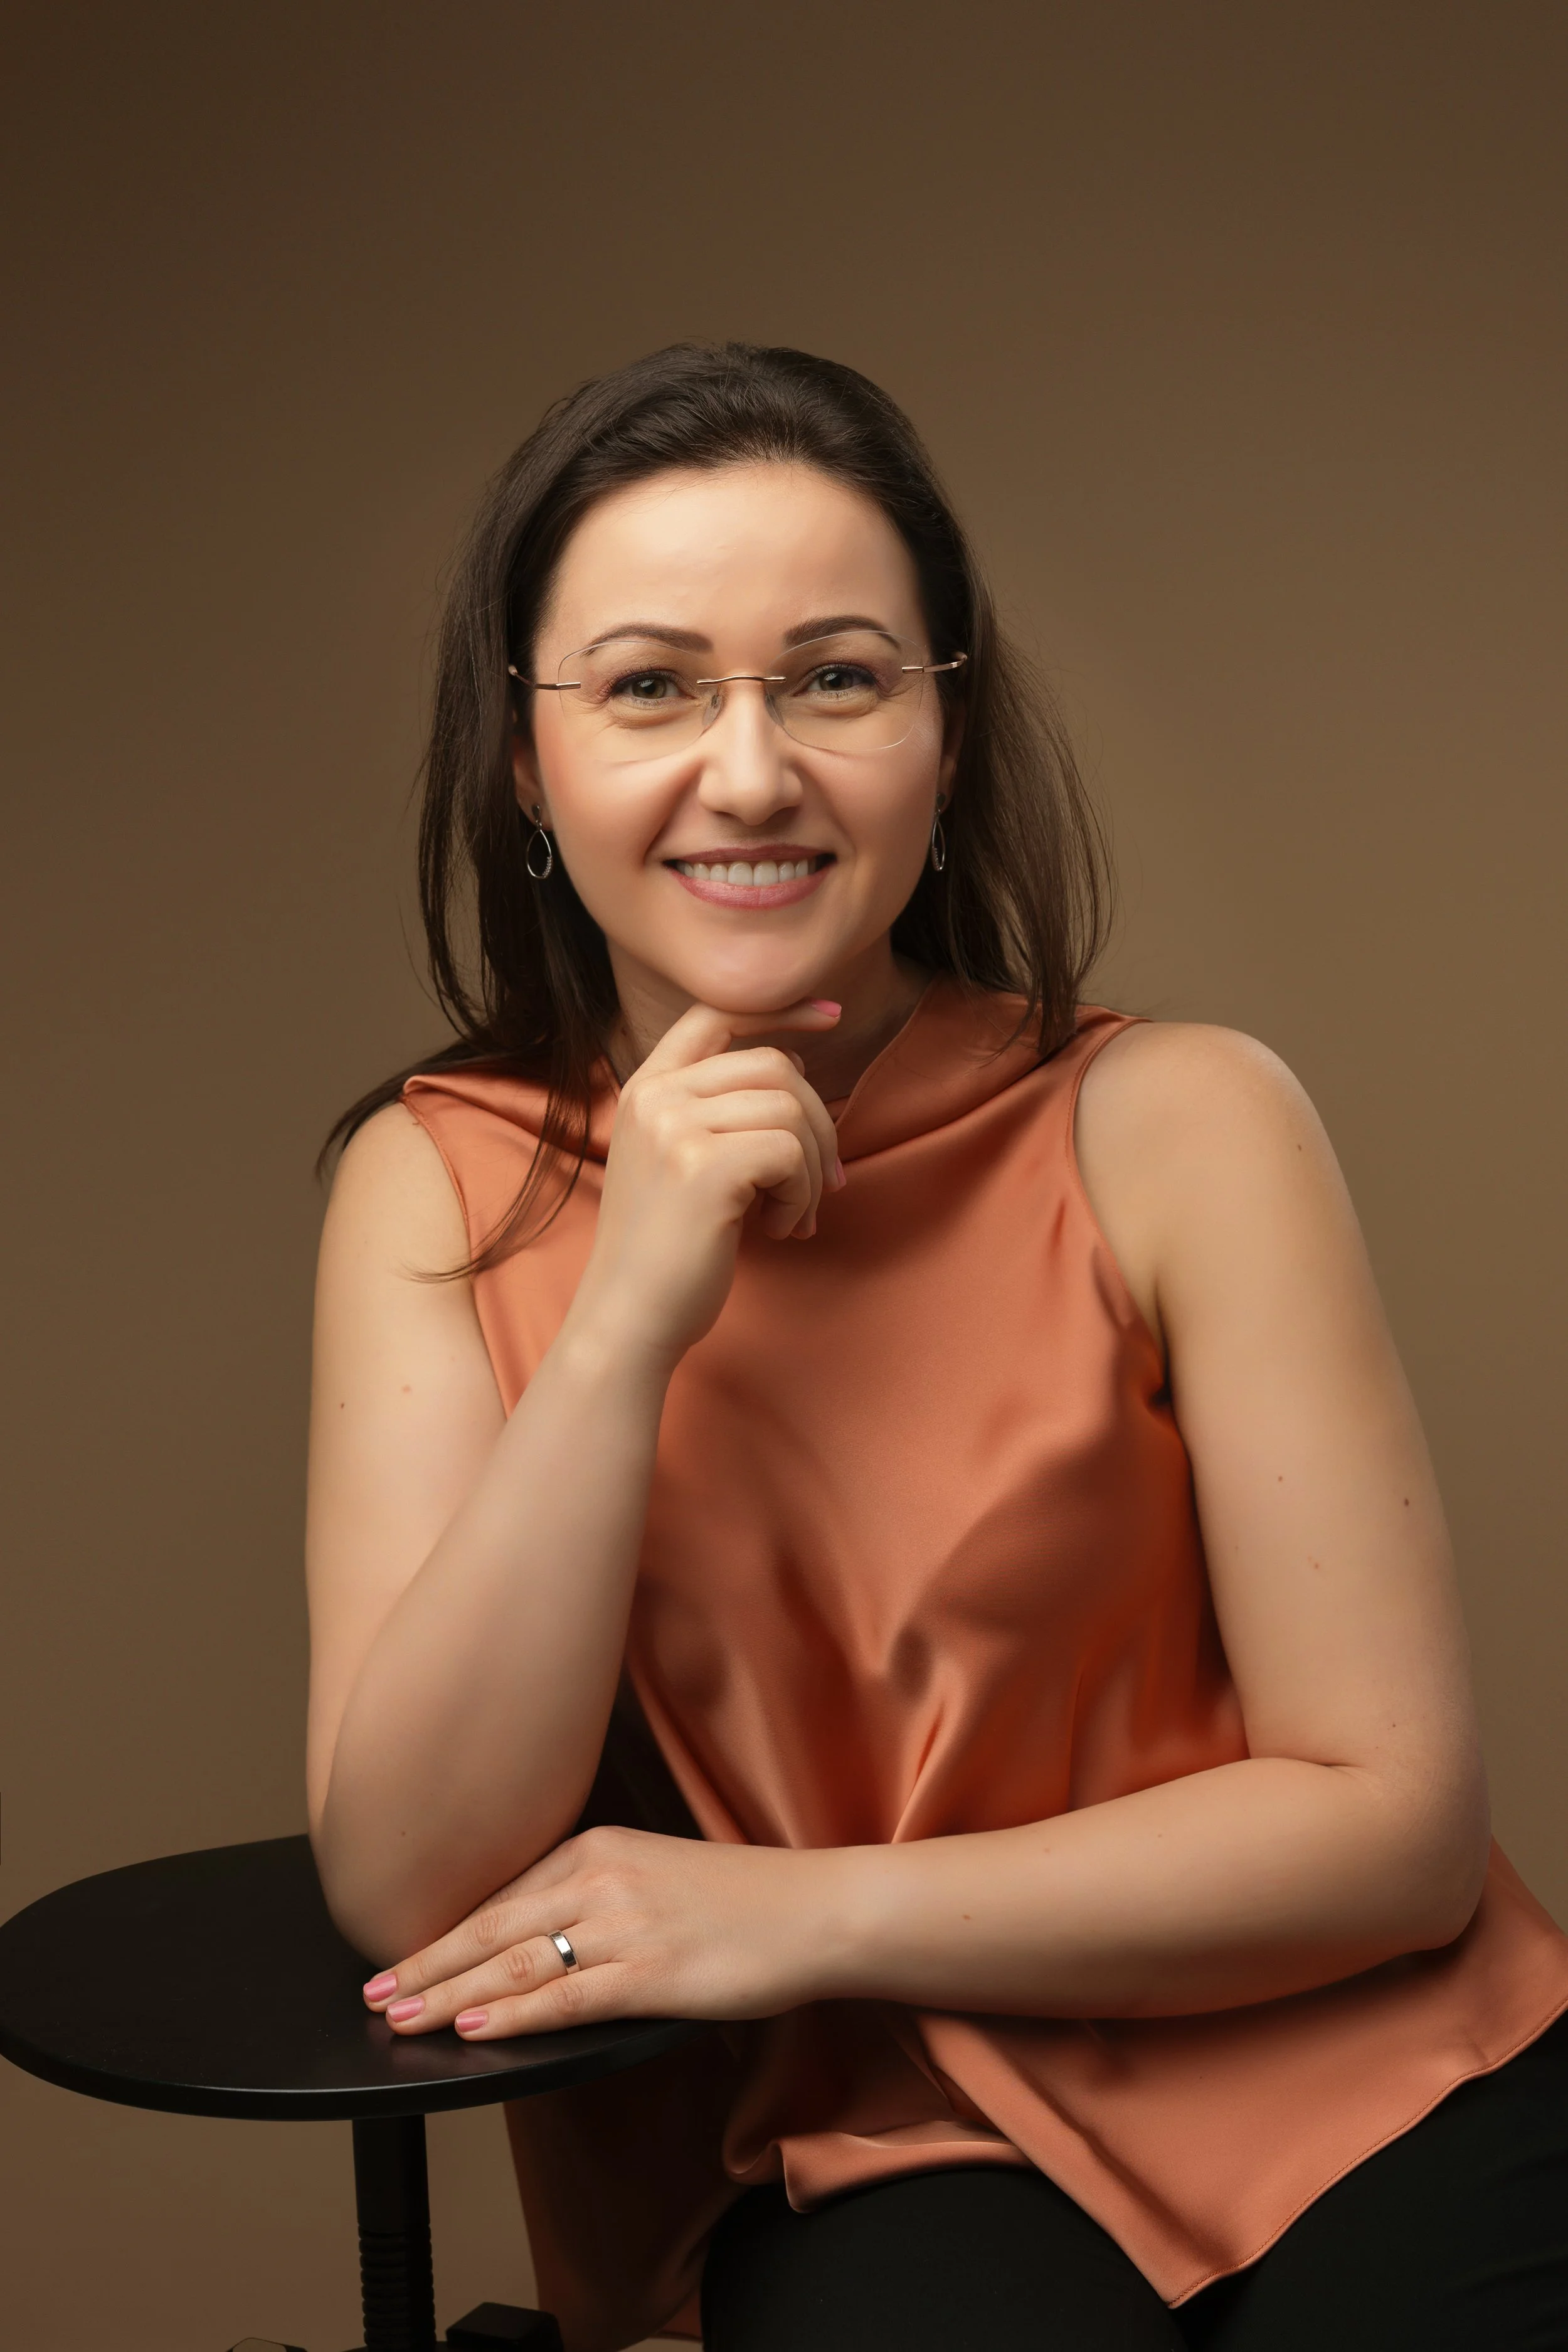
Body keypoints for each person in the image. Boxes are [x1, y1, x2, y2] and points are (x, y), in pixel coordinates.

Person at [304, 344, 1568, 2351]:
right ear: (523, 760)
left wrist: (792, 1914)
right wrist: (623, 1318)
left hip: (1371, 2062)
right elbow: (407, 1877)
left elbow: (1394, 1830)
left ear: (946, 736)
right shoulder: (438, 1180)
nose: (750, 773)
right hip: (881, 2141)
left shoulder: (1181, 1119)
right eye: (648, 685)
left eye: (835, 677)